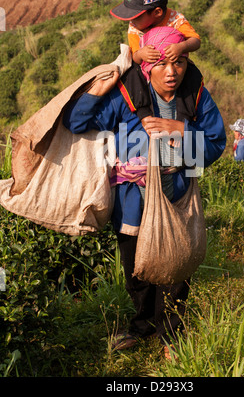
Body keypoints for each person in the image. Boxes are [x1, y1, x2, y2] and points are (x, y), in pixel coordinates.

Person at [63, 27, 226, 359]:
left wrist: (182, 130)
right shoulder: (126, 96)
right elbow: (76, 123)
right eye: (163, 65)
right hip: (132, 202)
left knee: (176, 270)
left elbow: (214, 145)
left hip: (177, 193)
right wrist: (99, 89)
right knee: (137, 270)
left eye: (179, 63)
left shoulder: (195, 96)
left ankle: (172, 334)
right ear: (147, 66)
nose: (172, 72)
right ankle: (142, 325)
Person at [110, 0, 201, 121]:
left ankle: (185, 118)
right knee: (131, 73)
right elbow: (135, 56)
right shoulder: (134, 27)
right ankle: (143, 114)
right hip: (149, 72)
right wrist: (141, 54)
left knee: (193, 76)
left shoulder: (175, 19)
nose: (131, 20)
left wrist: (182, 47)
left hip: (175, 69)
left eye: (136, 16)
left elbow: (195, 40)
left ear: (157, 12)